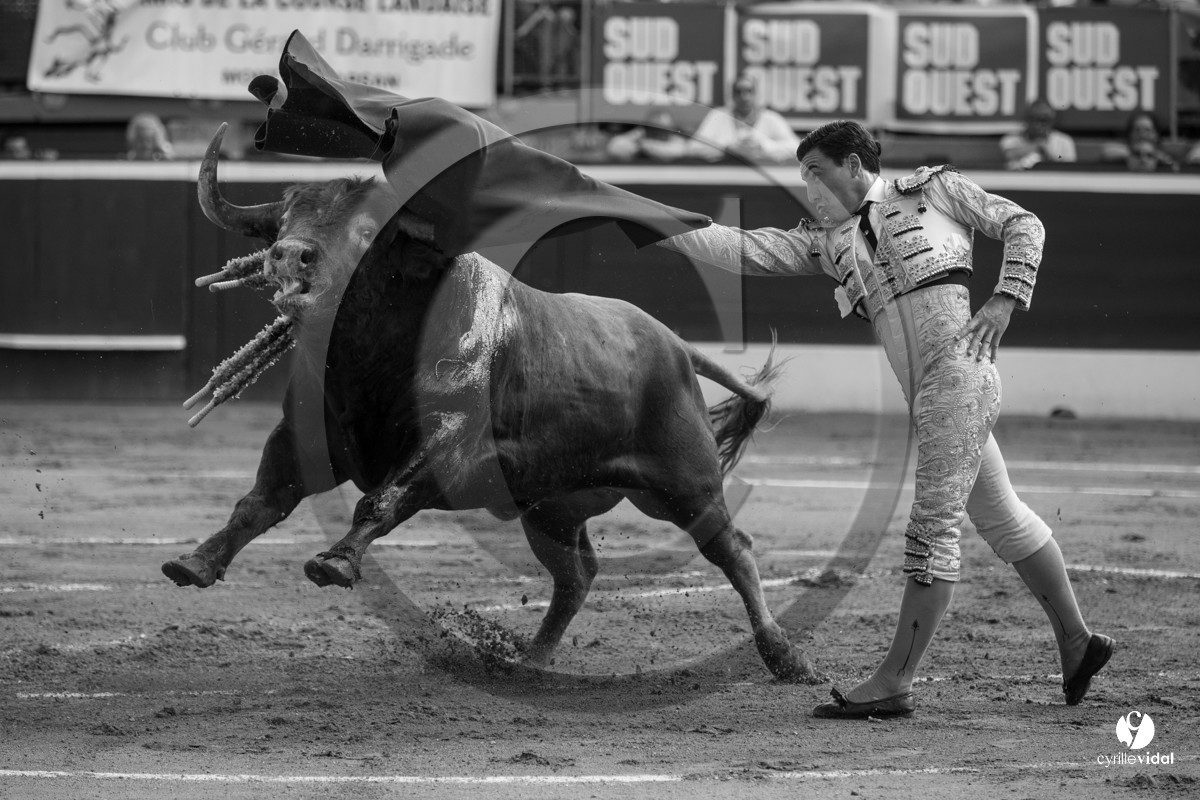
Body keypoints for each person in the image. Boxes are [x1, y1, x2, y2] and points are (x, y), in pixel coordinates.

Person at [660, 120, 1113, 718]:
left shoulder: (933, 191)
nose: (808, 188)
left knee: (931, 530)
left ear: (852, 165)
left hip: (959, 377)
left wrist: (1007, 295)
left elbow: (1023, 223)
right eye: (802, 177)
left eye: (815, 172)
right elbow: (744, 251)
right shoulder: (829, 240)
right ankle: (1078, 643)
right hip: (930, 393)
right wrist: (661, 224)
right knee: (1001, 516)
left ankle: (895, 680)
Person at [686, 74, 801, 164]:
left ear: (756, 94)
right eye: (739, 92)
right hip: (726, 177)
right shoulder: (719, 116)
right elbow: (694, 147)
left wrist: (763, 146)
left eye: (749, 91)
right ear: (732, 95)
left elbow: (796, 148)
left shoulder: (770, 119)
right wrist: (727, 148)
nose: (744, 97)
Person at [999, 100, 1076, 170]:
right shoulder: (1011, 139)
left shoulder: (1064, 142)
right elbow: (1008, 155)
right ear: (1026, 119)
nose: (1037, 124)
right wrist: (1036, 146)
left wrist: (1049, 157)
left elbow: (1070, 170)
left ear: (1051, 122)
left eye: (1043, 120)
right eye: (1033, 119)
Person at [1101, 111, 1180, 173]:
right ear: (1130, 134)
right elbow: (1106, 152)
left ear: (1156, 134)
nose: (1142, 135)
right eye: (1137, 130)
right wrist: (1133, 152)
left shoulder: (1165, 156)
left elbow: (1176, 164)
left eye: (1147, 130)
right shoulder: (1123, 153)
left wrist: (1154, 153)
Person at [605, 110, 688, 163]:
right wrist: (637, 134)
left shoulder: (678, 142)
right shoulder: (639, 137)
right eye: (655, 129)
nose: (659, 133)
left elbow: (678, 151)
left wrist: (646, 147)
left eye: (664, 130)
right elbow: (613, 147)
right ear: (647, 129)